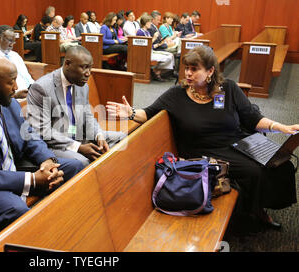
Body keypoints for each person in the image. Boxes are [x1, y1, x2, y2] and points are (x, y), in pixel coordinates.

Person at [106, 46, 298, 230]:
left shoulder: (228, 89)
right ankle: (255, 211)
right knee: (254, 172)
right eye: (187, 68)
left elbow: (253, 118)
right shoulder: (176, 95)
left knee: (280, 163)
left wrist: (282, 127)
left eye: (194, 69)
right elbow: (148, 113)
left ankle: (257, 205)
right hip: (204, 151)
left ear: (210, 71)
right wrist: (130, 113)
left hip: (238, 143)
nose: (188, 73)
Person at [0, 56, 84, 232]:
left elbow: (29, 135)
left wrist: (47, 161)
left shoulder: (8, 102)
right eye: (11, 82)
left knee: (74, 166)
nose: (16, 88)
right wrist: (31, 180)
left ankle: (63, 224)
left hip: (15, 166)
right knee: (17, 210)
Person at [27, 46, 125, 167]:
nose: (88, 73)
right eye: (83, 67)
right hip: (56, 144)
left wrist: (98, 134)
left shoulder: (82, 85)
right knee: (82, 162)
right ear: (67, 64)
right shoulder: (42, 88)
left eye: (90, 67)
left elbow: (87, 115)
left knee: (122, 139)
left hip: (80, 134)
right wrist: (78, 147)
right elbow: (43, 130)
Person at [0, 25, 34, 100]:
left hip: (29, 94)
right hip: (11, 99)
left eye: (14, 41)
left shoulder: (15, 55)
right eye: (9, 40)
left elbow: (27, 77)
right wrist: (15, 96)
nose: (12, 45)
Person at [136, 15, 175, 81]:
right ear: (145, 23)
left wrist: (159, 44)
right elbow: (145, 45)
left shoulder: (147, 32)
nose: (151, 24)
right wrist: (154, 38)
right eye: (149, 22)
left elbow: (151, 45)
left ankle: (156, 71)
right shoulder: (140, 32)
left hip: (151, 51)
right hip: (145, 53)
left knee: (170, 56)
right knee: (168, 57)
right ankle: (156, 72)